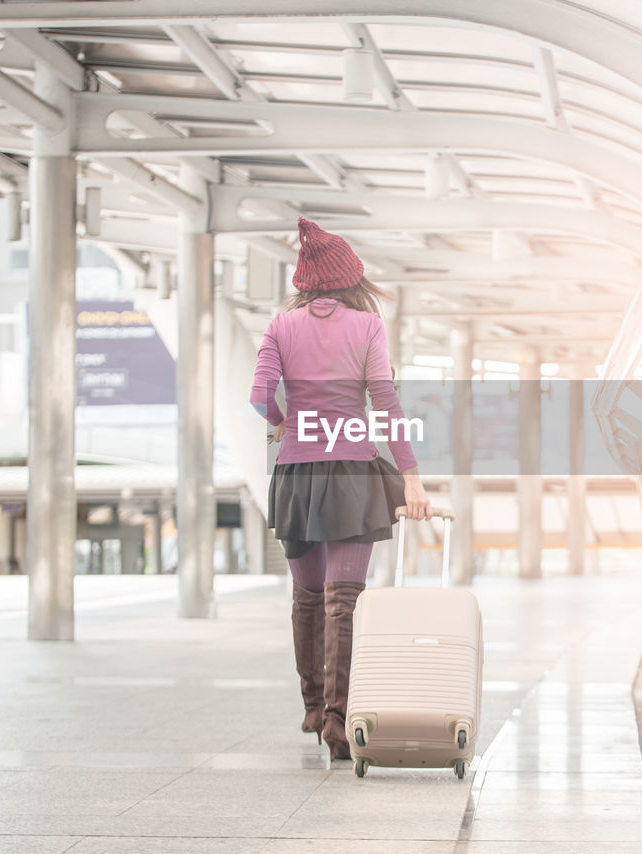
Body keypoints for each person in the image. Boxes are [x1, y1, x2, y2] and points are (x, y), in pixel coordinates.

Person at [250, 217, 431, 761]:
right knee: (343, 600)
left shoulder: (280, 326)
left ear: (304, 282)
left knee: (306, 594)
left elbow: (260, 395)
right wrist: (413, 477)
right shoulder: (368, 327)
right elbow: (386, 403)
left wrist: (282, 421)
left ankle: (311, 706)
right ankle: (338, 718)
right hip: (351, 471)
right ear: (353, 280)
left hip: (296, 473)